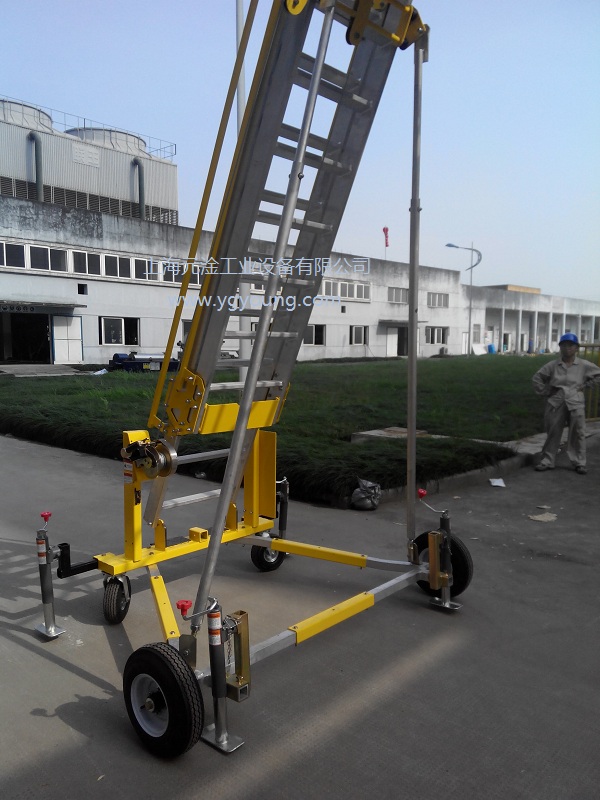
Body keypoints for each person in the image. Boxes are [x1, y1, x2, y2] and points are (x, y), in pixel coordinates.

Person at [532, 333, 600, 474]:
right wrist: (546, 391)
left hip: (575, 401)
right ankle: (547, 460)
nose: (567, 348)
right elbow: (537, 378)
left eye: (571, 345)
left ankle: (579, 462)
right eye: (564, 345)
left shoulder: (583, 365)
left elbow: (598, 375)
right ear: (560, 347)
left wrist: (586, 385)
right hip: (556, 401)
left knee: (578, 432)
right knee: (553, 431)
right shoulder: (553, 365)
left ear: (576, 348)